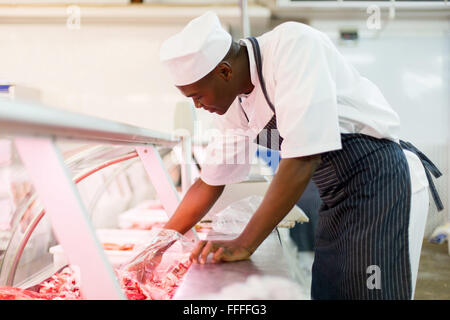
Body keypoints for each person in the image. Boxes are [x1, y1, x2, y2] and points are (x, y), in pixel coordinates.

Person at [158, 11, 443, 299]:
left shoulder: (293, 45)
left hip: (379, 181)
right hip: (335, 195)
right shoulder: (234, 106)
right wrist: (156, 247)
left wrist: (245, 243)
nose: (197, 106)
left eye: (197, 96)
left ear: (225, 72)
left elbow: (303, 159)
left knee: (371, 290)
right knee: (329, 290)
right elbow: (209, 183)